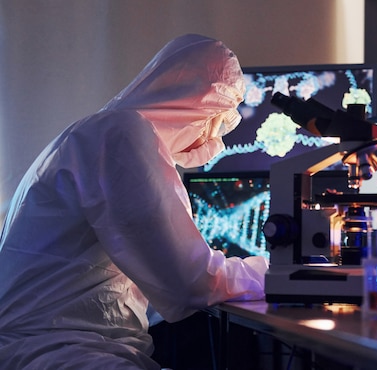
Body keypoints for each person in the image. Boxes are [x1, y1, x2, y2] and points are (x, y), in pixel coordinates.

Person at [0, 34, 268, 369]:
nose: (211, 138)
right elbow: (191, 282)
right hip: (63, 354)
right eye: (215, 122)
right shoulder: (121, 134)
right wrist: (275, 275)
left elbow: (152, 285)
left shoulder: (95, 133)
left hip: (52, 347)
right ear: (201, 104)